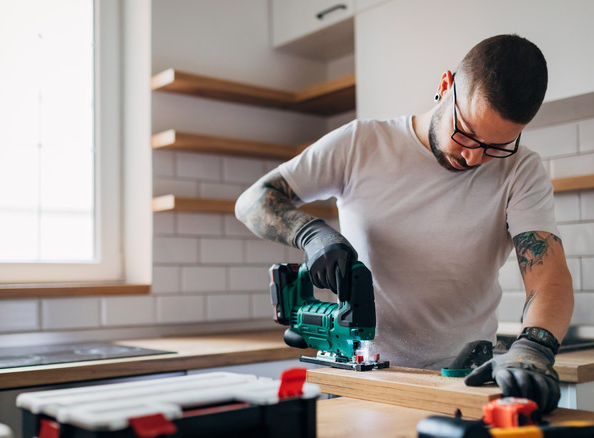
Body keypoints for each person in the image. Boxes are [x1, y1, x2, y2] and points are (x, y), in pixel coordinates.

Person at [234, 34, 574, 413]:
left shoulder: (521, 170)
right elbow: (253, 200)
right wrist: (311, 235)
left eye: (496, 147)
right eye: (466, 133)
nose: (473, 156)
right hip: (361, 378)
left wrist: (533, 347)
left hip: (464, 381)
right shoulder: (361, 143)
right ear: (445, 87)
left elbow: (549, 280)